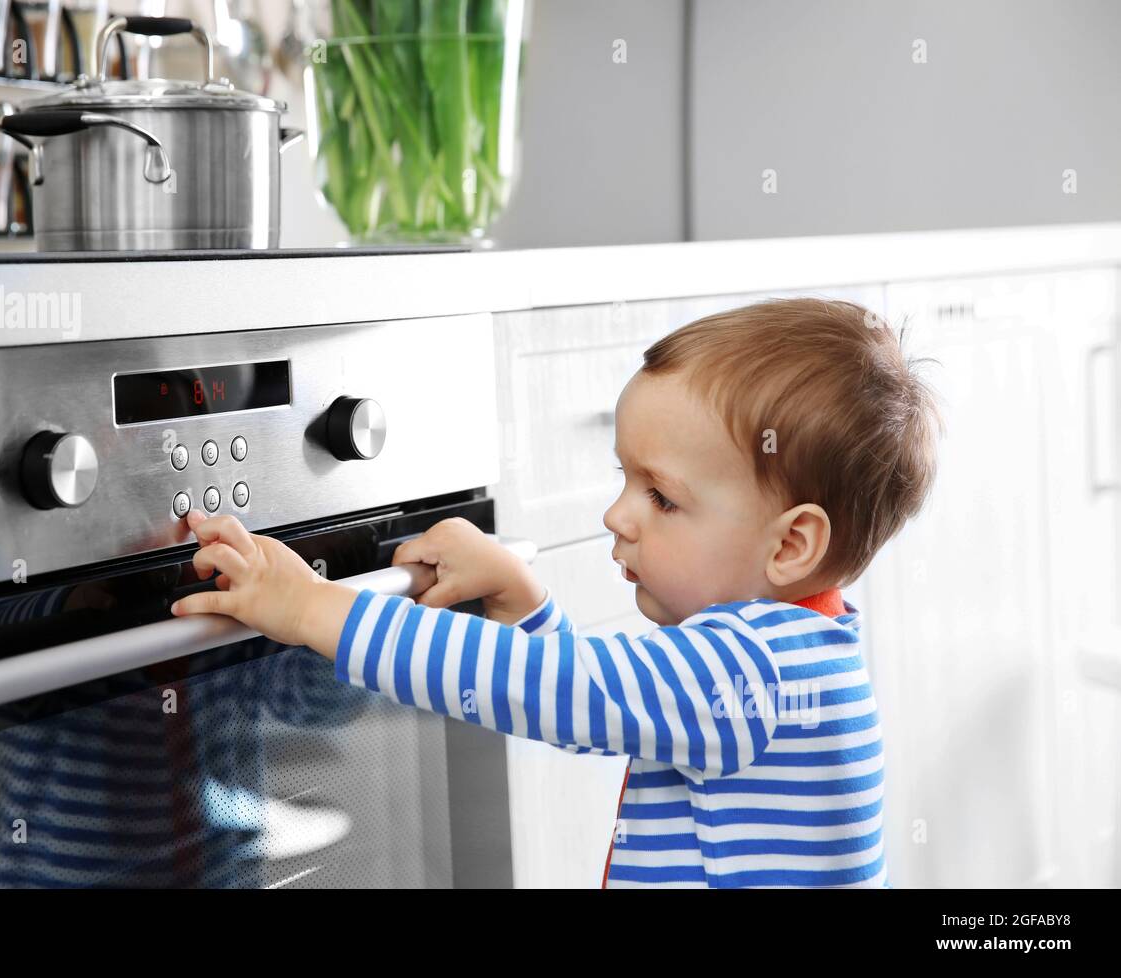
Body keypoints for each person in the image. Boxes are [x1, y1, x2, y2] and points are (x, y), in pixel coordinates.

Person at [172, 296, 942, 888]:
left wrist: (312, 608)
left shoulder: (750, 674)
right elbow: (597, 703)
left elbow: (561, 691)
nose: (619, 516)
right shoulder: (788, 652)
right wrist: (525, 602)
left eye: (662, 498)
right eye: (624, 479)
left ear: (791, 544)